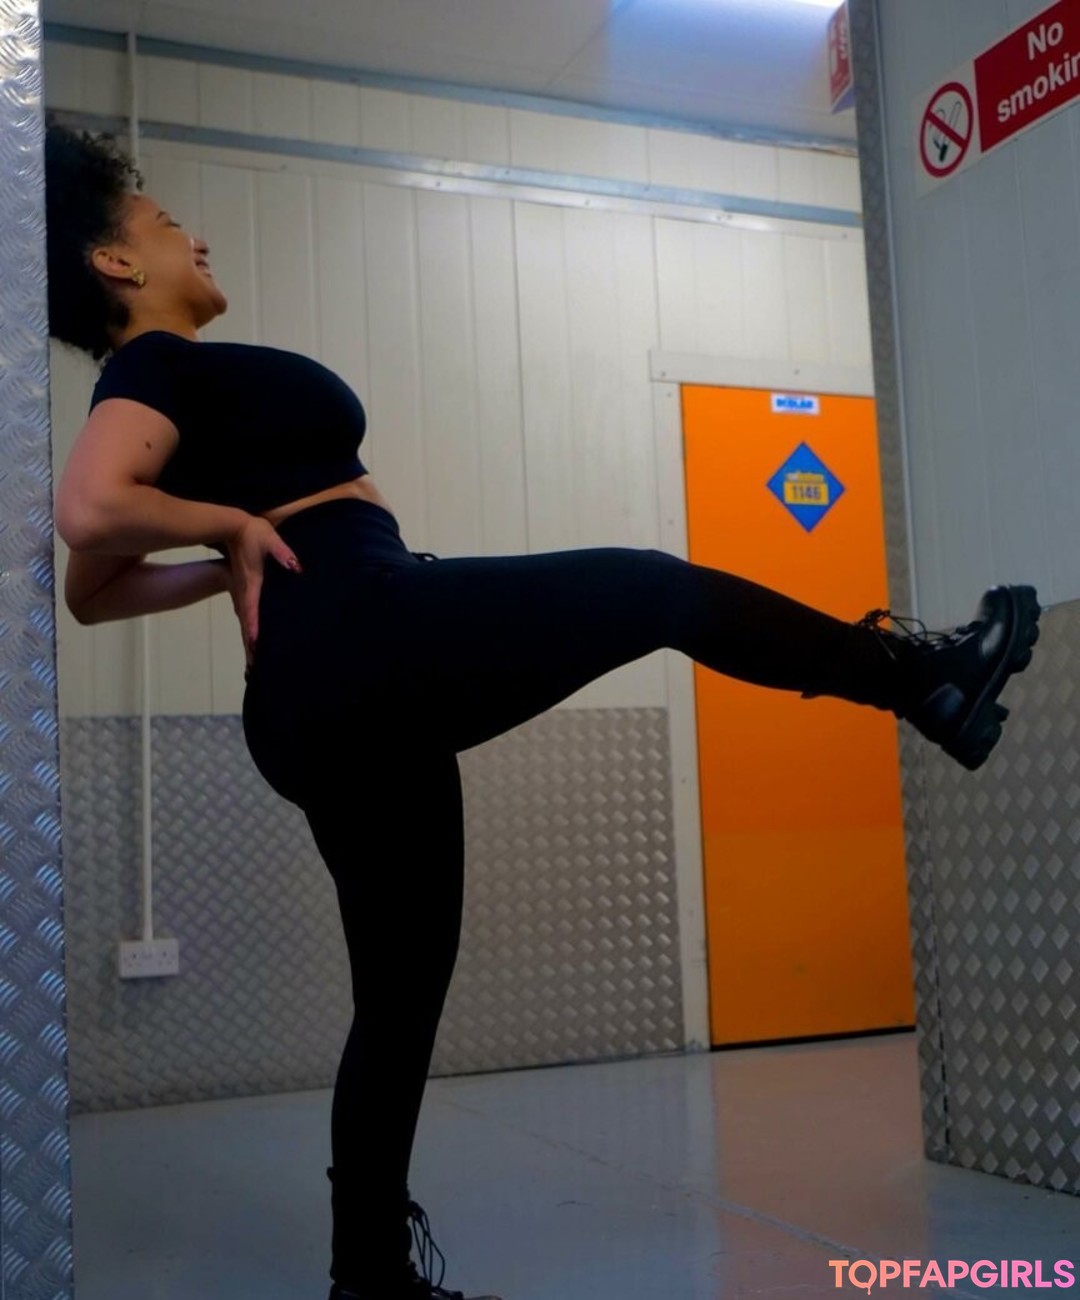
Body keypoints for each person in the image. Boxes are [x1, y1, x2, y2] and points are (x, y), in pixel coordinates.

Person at [43, 119, 1041, 1300]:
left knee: (398, 1000)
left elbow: (94, 597)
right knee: (657, 588)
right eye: (165, 225)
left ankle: (369, 1278)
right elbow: (89, 515)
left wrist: (234, 562)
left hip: (321, 683)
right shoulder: (157, 367)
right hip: (367, 633)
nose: (194, 236)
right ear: (115, 262)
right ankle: (924, 679)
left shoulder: (176, 383)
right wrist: (229, 528)